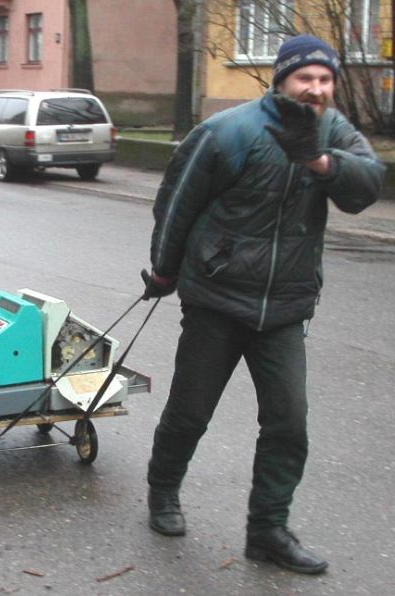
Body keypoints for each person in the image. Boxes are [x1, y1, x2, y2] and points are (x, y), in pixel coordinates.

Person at [141, 34, 385, 574]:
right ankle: (163, 490)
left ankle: (268, 531)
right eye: (305, 78)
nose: (316, 88)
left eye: (325, 79)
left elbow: (366, 186)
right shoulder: (229, 131)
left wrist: (319, 161)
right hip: (217, 298)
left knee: (288, 424)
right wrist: (163, 269)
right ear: (281, 81)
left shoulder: (333, 132)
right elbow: (177, 202)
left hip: (285, 307)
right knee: (190, 412)